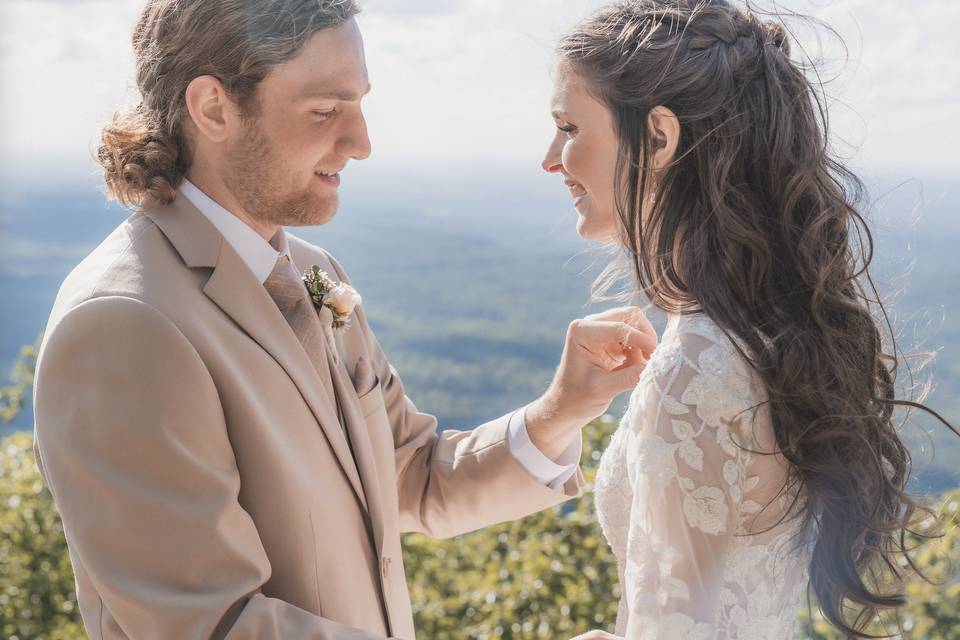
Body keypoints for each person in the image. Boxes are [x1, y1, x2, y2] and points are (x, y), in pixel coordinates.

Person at [30, 1, 659, 638]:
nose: (361, 143)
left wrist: (561, 410)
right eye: (326, 111)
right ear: (214, 107)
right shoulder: (125, 325)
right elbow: (211, 625)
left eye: (359, 105)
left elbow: (409, 476)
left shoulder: (313, 270)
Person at [540, 1, 957, 638]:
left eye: (568, 127)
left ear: (658, 136)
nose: (550, 157)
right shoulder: (763, 333)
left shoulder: (694, 370)